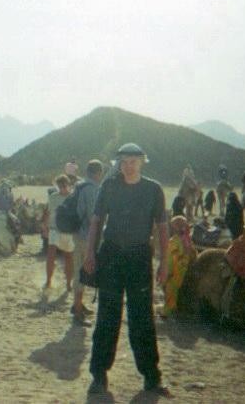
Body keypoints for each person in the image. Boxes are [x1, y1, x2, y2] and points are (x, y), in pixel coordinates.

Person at [82, 143, 170, 396]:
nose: (129, 166)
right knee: (107, 316)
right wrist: (90, 253)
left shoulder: (153, 189)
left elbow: (162, 226)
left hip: (139, 257)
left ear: (142, 162)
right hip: (111, 256)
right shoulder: (109, 187)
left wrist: (164, 263)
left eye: (133, 161)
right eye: (124, 162)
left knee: (142, 317)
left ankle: (151, 377)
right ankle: (99, 375)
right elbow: (96, 220)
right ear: (119, 164)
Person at [71, 159, 104, 325]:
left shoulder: (79, 186)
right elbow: (93, 216)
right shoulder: (92, 189)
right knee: (82, 272)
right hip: (86, 235)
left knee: (79, 269)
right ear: (98, 172)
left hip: (77, 233)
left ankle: (78, 304)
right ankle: (77, 311)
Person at [160, 215, 197, 318]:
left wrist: (167, 272)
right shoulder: (187, 240)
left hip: (176, 271)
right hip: (185, 269)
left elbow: (170, 260)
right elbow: (194, 255)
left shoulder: (173, 242)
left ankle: (167, 311)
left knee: (170, 290)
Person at [41, 175, 74, 291]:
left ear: (68, 185)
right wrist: (45, 228)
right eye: (60, 186)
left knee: (68, 257)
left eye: (64, 185)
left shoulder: (73, 197)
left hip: (68, 230)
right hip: (54, 228)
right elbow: (48, 212)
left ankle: (68, 283)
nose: (62, 188)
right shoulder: (53, 197)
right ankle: (48, 281)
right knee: (51, 254)